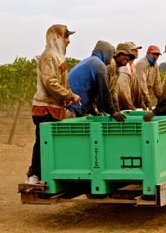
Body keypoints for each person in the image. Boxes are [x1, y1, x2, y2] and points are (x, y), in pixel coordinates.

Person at [26, 24, 81, 185]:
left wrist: (67, 97)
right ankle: (33, 175)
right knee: (42, 143)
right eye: (66, 37)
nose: (68, 41)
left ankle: (49, 176)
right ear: (56, 38)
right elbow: (50, 83)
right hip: (44, 107)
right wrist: (70, 95)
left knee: (51, 145)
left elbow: (62, 82)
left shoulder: (59, 57)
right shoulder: (49, 57)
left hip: (56, 108)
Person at [68, 40, 126, 121]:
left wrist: (92, 110)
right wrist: (113, 112)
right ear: (106, 53)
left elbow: (88, 90)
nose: (110, 61)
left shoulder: (90, 61)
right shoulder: (99, 65)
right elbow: (104, 92)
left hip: (72, 105)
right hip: (72, 107)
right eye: (111, 56)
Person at [133, 45, 163, 110]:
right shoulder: (141, 63)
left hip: (147, 94)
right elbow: (142, 84)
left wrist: (161, 100)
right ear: (148, 53)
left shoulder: (155, 66)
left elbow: (157, 84)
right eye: (153, 54)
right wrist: (148, 102)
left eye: (157, 55)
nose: (155, 56)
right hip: (137, 95)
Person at [107, 42, 135, 111]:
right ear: (117, 54)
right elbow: (102, 89)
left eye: (129, 57)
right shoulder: (111, 65)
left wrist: (117, 109)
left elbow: (113, 91)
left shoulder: (117, 70)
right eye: (125, 54)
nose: (127, 58)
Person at [117, 42, 142, 110]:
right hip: (120, 104)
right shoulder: (123, 67)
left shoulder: (133, 67)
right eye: (134, 50)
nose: (137, 51)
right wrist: (130, 107)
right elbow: (123, 91)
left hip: (129, 103)